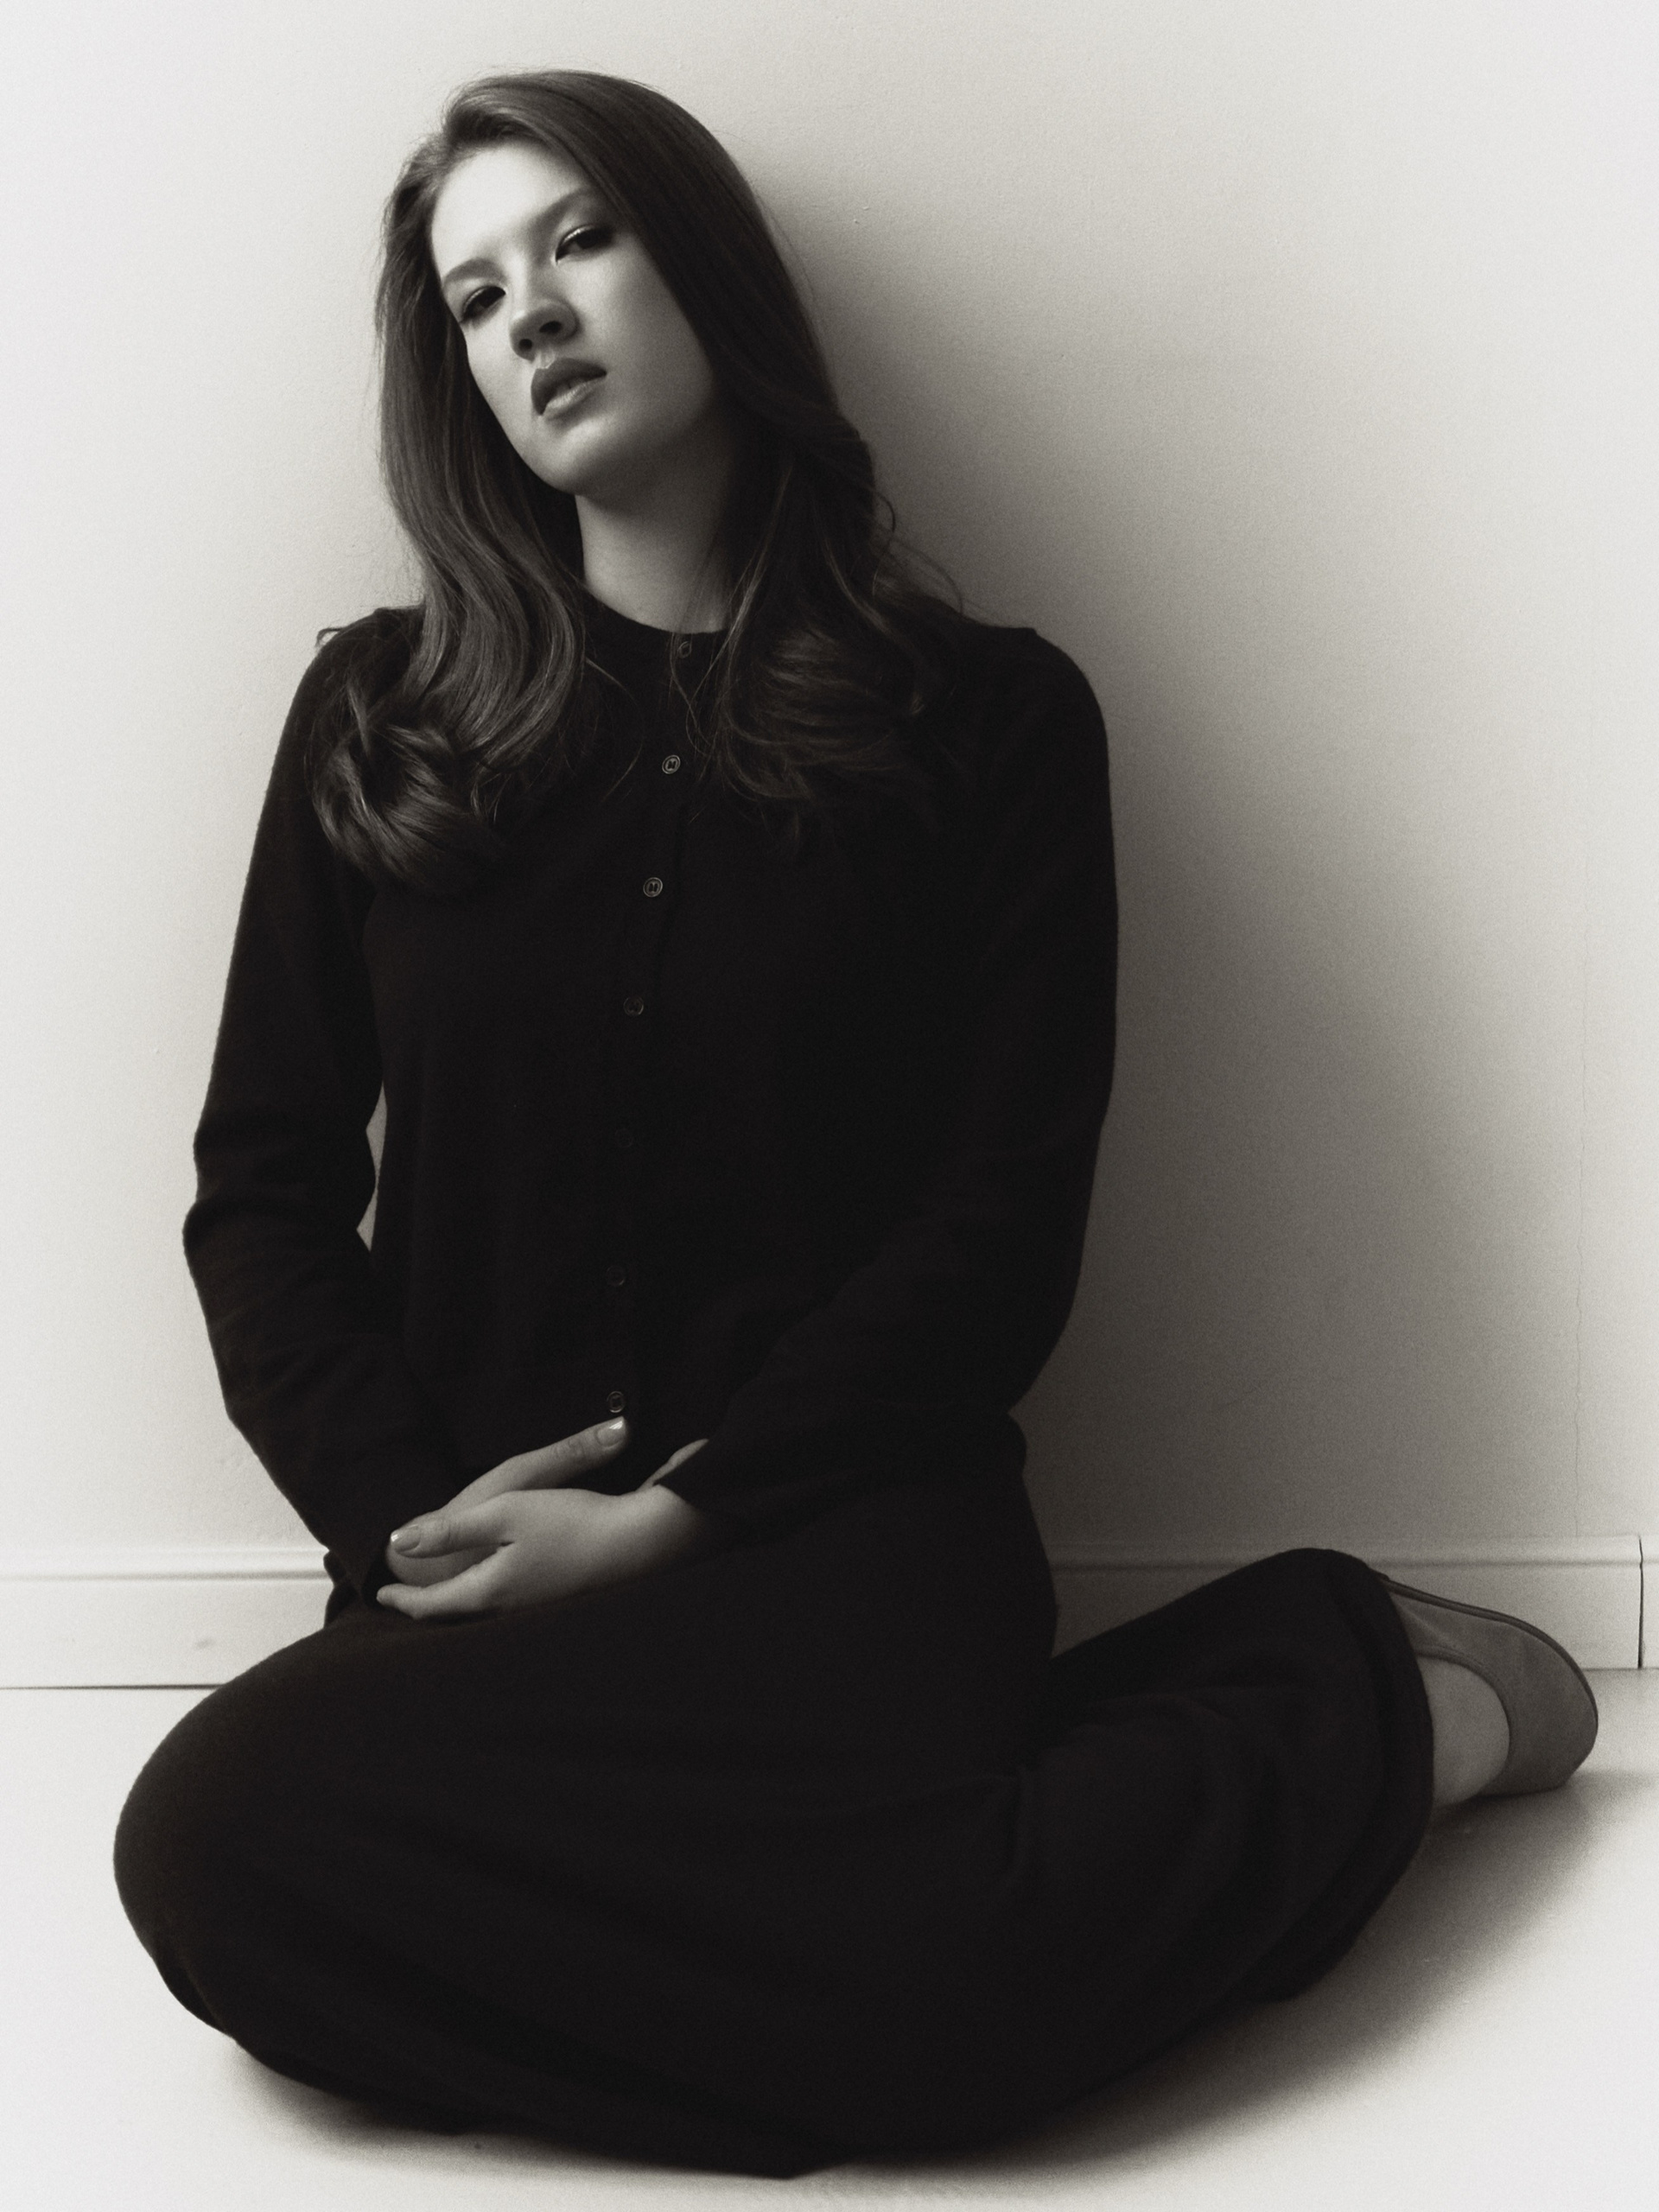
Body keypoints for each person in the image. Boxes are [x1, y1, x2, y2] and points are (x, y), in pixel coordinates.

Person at [113, 70, 1599, 2178]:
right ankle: (953, 1901)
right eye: (475, 294)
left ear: (708, 269)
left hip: (848, 1542)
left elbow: (1001, 1222)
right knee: (209, 1840)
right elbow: (260, 1190)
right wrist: (414, 1520)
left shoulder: (992, 722)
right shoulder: (381, 718)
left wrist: (686, 1514)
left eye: (579, 241)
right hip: (481, 1587)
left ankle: (1375, 1697)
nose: (532, 315)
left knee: (914, 1995)